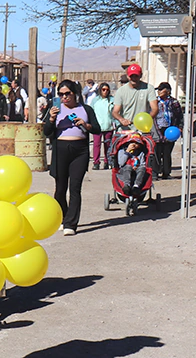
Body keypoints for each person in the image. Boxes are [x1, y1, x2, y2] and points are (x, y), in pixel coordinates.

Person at [45, 80, 100, 236]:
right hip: (60, 150)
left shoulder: (86, 109)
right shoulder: (54, 110)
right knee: (60, 189)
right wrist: (51, 119)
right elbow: (46, 132)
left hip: (80, 150)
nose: (64, 97)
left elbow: (97, 129)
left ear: (75, 93)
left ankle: (71, 224)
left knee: (75, 188)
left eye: (67, 94)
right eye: (61, 94)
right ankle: (63, 218)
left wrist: (86, 125)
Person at [113, 64, 159, 132]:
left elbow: (155, 109)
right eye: (131, 76)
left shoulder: (149, 88)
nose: (134, 78)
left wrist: (146, 119)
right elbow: (115, 112)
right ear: (128, 76)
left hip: (143, 129)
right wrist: (122, 120)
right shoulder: (121, 91)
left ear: (141, 75)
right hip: (126, 129)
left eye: (136, 76)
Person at [153, 83, 182, 179]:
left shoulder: (174, 102)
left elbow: (179, 116)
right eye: (158, 90)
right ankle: (155, 172)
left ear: (167, 91)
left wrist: (179, 127)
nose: (159, 92)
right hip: (157, 128)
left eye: (161, 89)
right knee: (156, 151)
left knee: (167, 151)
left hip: (170, 129)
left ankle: (166, 172)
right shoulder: (155, 101)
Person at [88, 83, 115, 170]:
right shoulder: (95, 100)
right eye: (103, 90)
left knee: (108, 145)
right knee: (96, 145)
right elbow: (91, 113)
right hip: (97, 126)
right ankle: (96, 162)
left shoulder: (112, 100)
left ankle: (107, 161)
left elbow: (115, 112)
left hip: (108, 126)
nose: (105, 91)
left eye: (107, 90)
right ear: (100, 90)